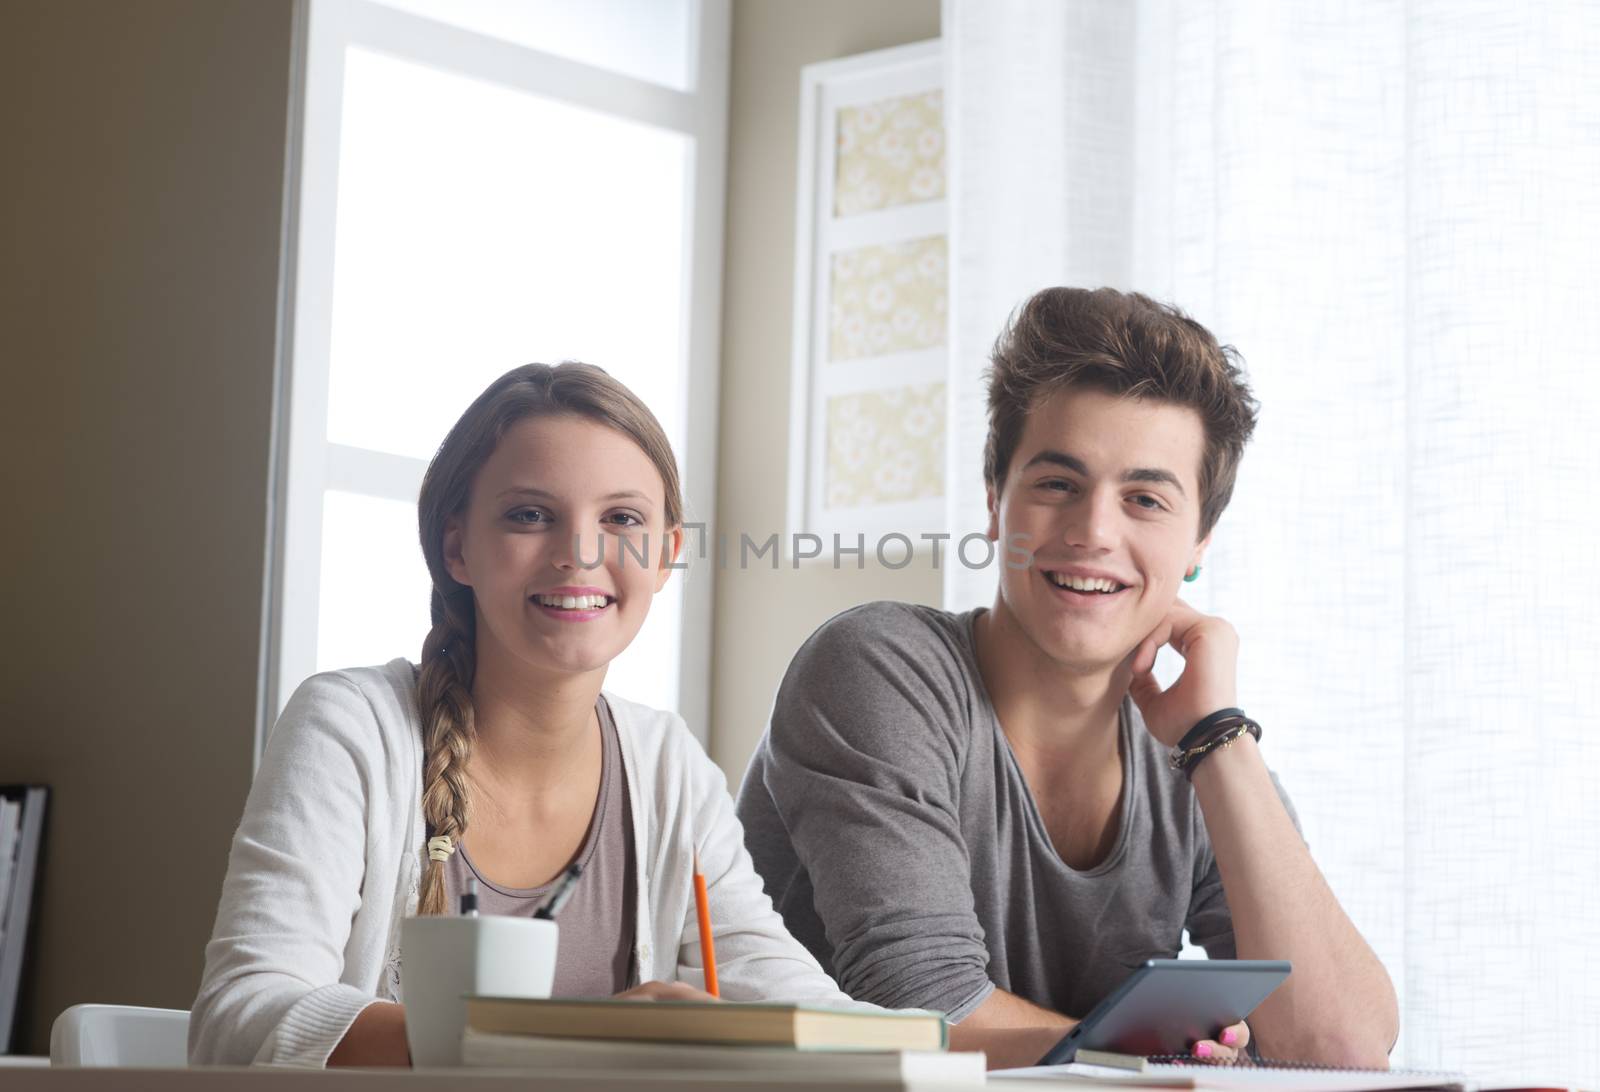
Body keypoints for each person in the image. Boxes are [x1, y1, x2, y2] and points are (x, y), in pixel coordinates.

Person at [736, 288, 1399, 1070]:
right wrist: (1160, 1059)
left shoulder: (1195, 754)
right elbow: (922, 1005)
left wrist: (1219, 738)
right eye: (1057, 484)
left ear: (1200, 542)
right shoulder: (879, 667)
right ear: (995, 501)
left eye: (1145, 499)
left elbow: (1343, 1050)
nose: (1092, 532)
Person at [191, 363, 857, 1067]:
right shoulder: (351, 728)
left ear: (666, 555)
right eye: (530, 515)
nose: (580, 552)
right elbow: (238, 1019)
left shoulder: (668, 766)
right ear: (457, 548)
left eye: (622, 518)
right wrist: (565, 1040)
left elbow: (805, 1009)